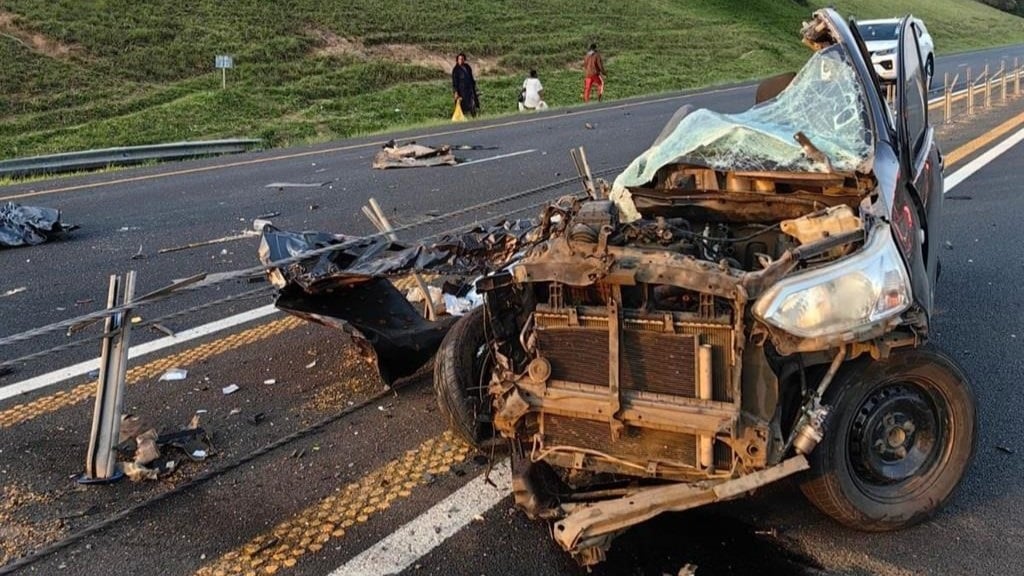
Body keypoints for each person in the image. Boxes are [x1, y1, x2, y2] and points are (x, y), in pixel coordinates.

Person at [451, 53, 480, 118]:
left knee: (473, 102)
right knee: (463, 104)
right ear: (457, 60)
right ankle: (463, 117)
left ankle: (474, 116)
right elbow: (455, 82)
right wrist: (456, 92)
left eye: (462, 59)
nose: (461, 60)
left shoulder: (467, 67)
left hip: (470, 89)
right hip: (462, 90)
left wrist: (475, 87)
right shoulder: (456, 70)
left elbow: (471, 77)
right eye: (459, 59)